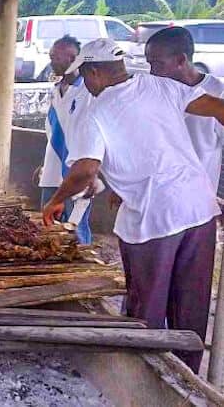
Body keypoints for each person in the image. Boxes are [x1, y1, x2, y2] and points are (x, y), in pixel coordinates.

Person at [41, 38, 224, 373]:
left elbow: (84, 171)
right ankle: (187, 376)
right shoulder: (161, 86)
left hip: (154, 218)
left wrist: (55, 201)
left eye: (84, 76)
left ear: (94, 72)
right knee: (192, 304)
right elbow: (219, 109)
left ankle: (145, 376)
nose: (85, 84)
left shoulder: (95, 112)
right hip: (199, 208)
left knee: (147, 307)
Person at [146, 26, 224, 191]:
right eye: (149, 64)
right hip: (156, 195)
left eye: (158, 64)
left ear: (181, 60)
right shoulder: (155, 91)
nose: (152, 72)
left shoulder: (218, 94)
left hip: (196, 201)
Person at [38, 35, 96, 244]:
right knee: (49, 224)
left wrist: (93, 174)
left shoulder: (88, 92)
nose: (51, 60)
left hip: (76, 171)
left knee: (75, 226)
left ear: (72, 58)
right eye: (51, 56)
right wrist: (45, 162)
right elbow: (54, 131)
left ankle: (84, 270)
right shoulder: (56, 90)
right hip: (53, 171)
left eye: (56, 57)